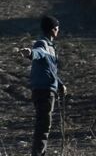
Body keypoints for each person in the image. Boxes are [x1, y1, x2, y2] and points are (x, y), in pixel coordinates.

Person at [26, 14, 64, 156]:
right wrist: (30, 53)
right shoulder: (42, 44)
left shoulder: (51, 47)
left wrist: (60, 84)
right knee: (43, 126)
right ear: (53, 29)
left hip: (48, 89)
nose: (58, 30)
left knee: (44, 125)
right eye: (57, 27)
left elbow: (50, 70)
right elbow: (37, 53)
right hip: (44, 90)